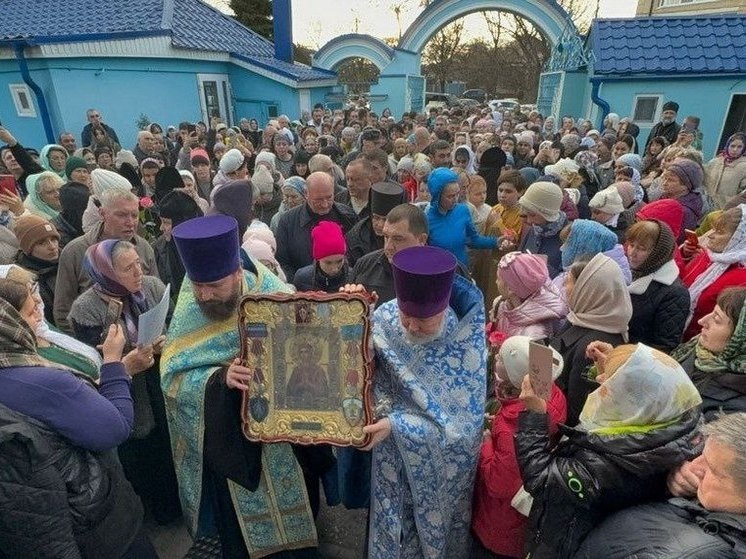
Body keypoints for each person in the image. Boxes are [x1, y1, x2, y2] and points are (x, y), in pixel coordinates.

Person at [162, 215, 319, 558]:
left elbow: (312, 348)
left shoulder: (273, 294)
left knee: (300, 528)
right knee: (241, 536)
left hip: (284, 436)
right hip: (229, 441)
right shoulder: (192, 300)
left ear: (237, 273)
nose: (203, 294)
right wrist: (219, 380)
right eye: (198, 285)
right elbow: (173, 376)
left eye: (214, 286)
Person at [0, 294, 157, 558]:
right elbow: (114, 428)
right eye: (27, 313)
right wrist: (113, 363)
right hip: (93, 518)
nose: (40, 314)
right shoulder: (40, 380)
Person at [517, 342, 703, 558]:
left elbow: (541, 478)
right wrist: (614, 366)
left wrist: (534, 416)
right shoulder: (665, 420)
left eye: (611, 382)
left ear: (634, 398)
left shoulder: (612, 464)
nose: (599, 380)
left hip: (566, 544)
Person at [362, 246, 486, 558]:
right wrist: (351, 311)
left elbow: (463, 431)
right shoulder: (386, 319)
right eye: (407, 317)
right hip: (387, 461)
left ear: (443, 310)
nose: (412, 328)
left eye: (424, 320)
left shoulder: (465, 344)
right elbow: (358, 368)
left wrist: (396, 426)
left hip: (436, 473)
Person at [68, 240, 181, 525]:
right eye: (127, 268)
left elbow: (173, 322)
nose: (138, 272)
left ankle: (173, 512)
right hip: (128, 393)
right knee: (138, 456)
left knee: (167, 448)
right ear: (105, 273)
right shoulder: (87, 308)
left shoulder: (153, 287)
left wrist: (165, 340)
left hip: (158, 383)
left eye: (138, 264)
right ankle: (149, 514)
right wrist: (131, 357)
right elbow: (94, 363)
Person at [577, 412, 746, 558]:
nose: (693, 466)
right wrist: (668, 482)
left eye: (711, 469)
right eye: (701, 454)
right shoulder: (711, 499)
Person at [472, 336, 567, 559]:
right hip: (525, 521)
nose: (496, 359)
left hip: (500, 526)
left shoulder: (511, 425)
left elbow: (499, 484)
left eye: (502, 360)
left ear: (516, 377)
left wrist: (485, 445)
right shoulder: (552, 396)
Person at [54, 187, 157, 333]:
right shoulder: (75, 251)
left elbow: (155, 297)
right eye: (121, 215)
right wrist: (90, 348)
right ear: (102, 214)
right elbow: (63, 311)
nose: (130, 222)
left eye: (134, 215)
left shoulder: (144, 248)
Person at [551, 254, 633, 426]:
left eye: (570, 281)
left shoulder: (594, 346)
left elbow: (578, 412)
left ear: (587, 290)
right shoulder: (581, 319)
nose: (565, 287)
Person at [0, 265, 103, 379]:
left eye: (33, 289)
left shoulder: (43, 327)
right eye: (26, 295)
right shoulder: (26, 359)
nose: (37, 299)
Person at [670, 286, 746, 419]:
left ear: (740, 339)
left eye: (717, 320)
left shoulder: (734, 412)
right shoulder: (696, 350)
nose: (702, 321)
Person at [275, 171, 357, 279]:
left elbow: (356, 256)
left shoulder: (347, 216)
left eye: (329, 197)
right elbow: (282, 263)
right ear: (306, 194)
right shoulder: (288, 221)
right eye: (318, 200)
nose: (325, 204)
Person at [681, 205, 746, 340]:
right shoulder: (711, 257)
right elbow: (682, 281)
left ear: (739, 238)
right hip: (678, 331)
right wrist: (685, 255)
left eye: (720, 232)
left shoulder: (742, 279)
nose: (711, 235)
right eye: (714, 229)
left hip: (703, 341)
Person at [626, 219, 690, 352]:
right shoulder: (634, 273)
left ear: (658, 253)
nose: (632, 252)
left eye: (642, 248)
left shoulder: (675, 294)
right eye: (631, 245)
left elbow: (664, 345)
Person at [426, 167, 498, 266]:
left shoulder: (463, 210)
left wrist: (496, 242)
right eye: (450, 196)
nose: (455, 199)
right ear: (436, 197)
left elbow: (473, 240)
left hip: (462, 271)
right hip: (439, 273)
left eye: (457, 194)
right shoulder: (426, 219)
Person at [489, 251, 566, 341]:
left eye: (498, 279)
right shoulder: (502, 306)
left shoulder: (534, 334)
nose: (496, 282)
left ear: (510, 289)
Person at [153, 190, 204, 298]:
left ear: (181, 223)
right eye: (161, 221)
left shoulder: (206, 246)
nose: (161, 228)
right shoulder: (160, 248)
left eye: (166, 222)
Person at [344, 181, 405, 267]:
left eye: (385, 219)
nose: (380, 225)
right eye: (376, 218)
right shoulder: (356, 238)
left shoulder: (409, 235)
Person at [12, 214, 60, 323]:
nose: (52, 247)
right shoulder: (24, 280)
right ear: (28, 249)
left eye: (54, 239)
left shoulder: (69, 260)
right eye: (41, 243)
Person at [518, 181, 568, 278]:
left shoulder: (568, 237)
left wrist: (541, 266)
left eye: (532, 214)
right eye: (526, 214)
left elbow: (567, 279)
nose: (529, 220)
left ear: (547, 214)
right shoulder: (535, 229)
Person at [293, 220, 349, 293]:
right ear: (318, 259)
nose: (334, 269)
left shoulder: (353, 276)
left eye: (340, 261)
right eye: (328, 263)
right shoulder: (302, 278)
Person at [662, 157, 704, 234]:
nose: (664, 183)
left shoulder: (685, 213)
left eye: (671, 180)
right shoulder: (665, 196)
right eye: (665, 178)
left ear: (685, 185)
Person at [704, 132, 746, 210]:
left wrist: (730, 203)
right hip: (705, 207)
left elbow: (743, 194)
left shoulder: (744, 167)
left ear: (743, 148)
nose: (735, 149)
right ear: (727, 146)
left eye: (739, 147)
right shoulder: (715, 162)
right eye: (732, 146)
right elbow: (703, 181)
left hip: (726, 210)